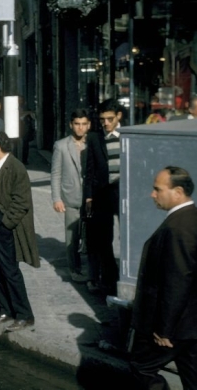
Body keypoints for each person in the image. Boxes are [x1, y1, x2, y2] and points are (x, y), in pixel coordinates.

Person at [129, 167, 197, 389]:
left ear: (178, 192)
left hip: (175, 328)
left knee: (142, 368)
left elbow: (177, 281)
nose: (152, 194)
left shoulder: (177, 229)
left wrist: (164, 329)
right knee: (196, 382)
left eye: (157, 189)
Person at [0, 131, 40, 333]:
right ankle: (5, 310)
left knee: (10, 271)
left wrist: (5, 224)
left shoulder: (15, 167)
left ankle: (24, 315)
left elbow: (21, 202)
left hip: (6, 230)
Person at [83, 99, 122, 294]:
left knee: (127, 236)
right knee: (104, 239)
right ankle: (110, 278)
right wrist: (88, 197)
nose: (105, 123)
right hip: (102, 194)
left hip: (124, 194)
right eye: (102, 120)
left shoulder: (128, 136)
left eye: (110, 119)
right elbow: (89, 170)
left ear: (119, 116)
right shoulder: (94, 138)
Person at [51, 109, 90, 283]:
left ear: (89, 125)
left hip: (91, 197)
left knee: (92, 237)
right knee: (72, 238)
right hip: (71, 197)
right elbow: (56, 173)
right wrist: (56, 198)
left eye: (84, 124)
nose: (80, 127)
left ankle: (93, 272)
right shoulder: (61, 146)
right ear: (71, 125)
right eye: (77, 124)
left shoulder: (93, 143)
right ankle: (75, 269)